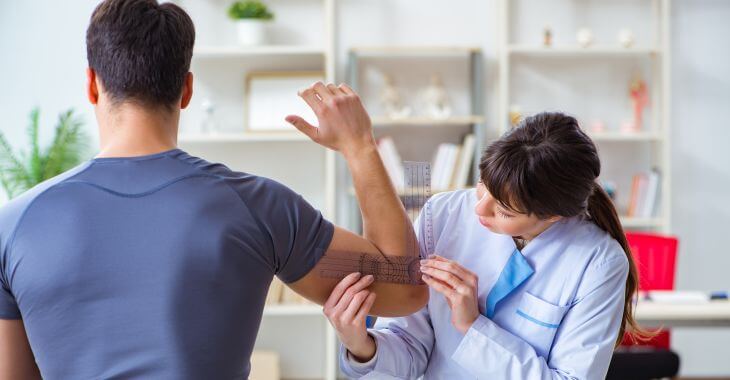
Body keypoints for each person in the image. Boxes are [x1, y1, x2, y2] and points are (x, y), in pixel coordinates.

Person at [0, 0, 427, 378]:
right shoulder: (258, 206)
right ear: (187, 89)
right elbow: (404, 288)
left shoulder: (14, 224)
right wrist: (359, 146)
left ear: (92, 85)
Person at [328, 112, 644, 379]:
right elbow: (409, 347)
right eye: (483, 186)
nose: (478, 209)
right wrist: (362, 345)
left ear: (553, 215)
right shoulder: (442, 215)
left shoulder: (599, 263)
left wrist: (473, 326)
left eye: (504, 211)